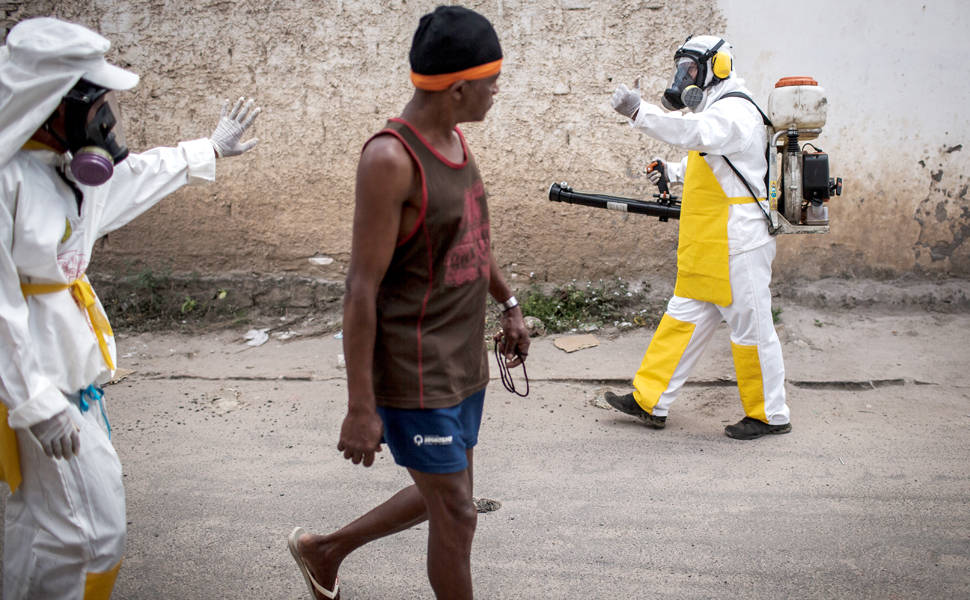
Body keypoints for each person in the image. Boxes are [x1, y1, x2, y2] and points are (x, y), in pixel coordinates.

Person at [0, 17, 260, 599]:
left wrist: (207, 149)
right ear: (52, 104)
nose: (105, 120)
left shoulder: (64, 170)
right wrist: (35, 402)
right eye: (95, 105)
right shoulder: (8, 181)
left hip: (73, 379)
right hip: (37, 385)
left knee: (38, 528)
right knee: (90, 537)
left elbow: (131, 178)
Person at [286, 6, 528, 599]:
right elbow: (360, 289)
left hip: (462, 366)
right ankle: (325, 551)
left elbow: (471, 238)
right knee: (458, 511)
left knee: (443, 495)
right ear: (458, 87)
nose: (497, 91)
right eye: (492, 80)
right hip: (415, 372)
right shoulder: (390, 160)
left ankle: (324, 550)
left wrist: (509, 303)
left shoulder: (455, 141)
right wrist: (360, 406)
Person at [604, 35, 792, 440]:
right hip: (712, 239)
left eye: (690, 68)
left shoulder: (736, 110)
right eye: (682, 68)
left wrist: (639, 112)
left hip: (739, 240)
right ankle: (650, 400)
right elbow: (710, 164)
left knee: (752, 328)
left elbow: (697, 134)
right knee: (683, 316)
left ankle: (770, 414)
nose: (683, 77)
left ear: (717, 67)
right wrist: (671, 171)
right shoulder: (717, 111)